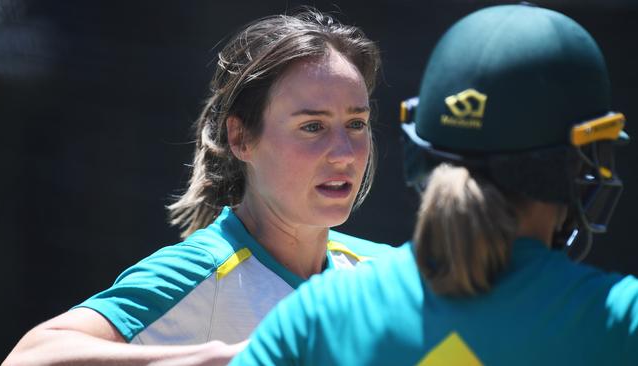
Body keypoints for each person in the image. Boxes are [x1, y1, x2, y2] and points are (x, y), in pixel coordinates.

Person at [231, 4, 638, 365]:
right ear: (572, 165)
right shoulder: (620, 318)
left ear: (420, 152)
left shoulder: (318, 314)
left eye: (357, 123)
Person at [3, 8, 396, 366]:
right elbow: (29, 358)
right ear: (241, 139)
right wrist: (224, 358)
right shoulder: (200, 271)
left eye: (356, 124)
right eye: (313, 127)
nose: (344, 153)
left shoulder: (389, 275)